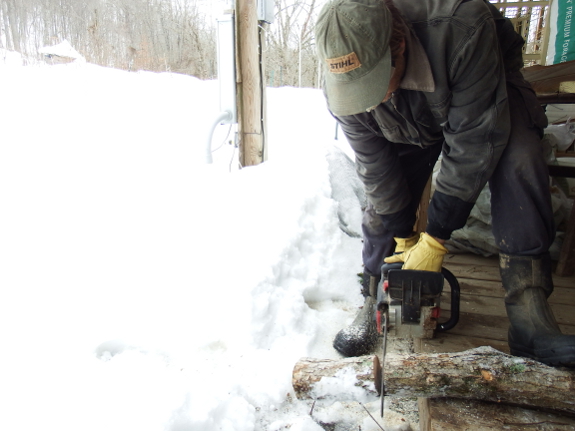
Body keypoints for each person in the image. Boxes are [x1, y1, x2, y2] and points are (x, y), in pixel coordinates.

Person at [314, 0, 575, 367]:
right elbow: (375, 165)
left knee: (519, 161)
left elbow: (474, 141)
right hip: (408, 104)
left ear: (399, 45)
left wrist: (436, 237)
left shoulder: (464, 24)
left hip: (481, 84)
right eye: (356, 91)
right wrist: (402, 232)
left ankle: (530, 317)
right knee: (380, 211)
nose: (367, 103)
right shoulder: (345, 81)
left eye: (372, 84)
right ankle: (373, 305)